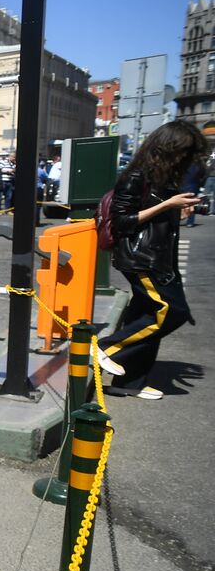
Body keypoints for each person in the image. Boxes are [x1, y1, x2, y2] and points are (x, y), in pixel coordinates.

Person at [97, 122, 205, 400]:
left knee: (144, 316)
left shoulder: (163, 178)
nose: (187, 159)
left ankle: (130, 382)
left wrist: (175, 212)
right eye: (184, 152)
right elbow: (122, 221)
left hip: (157, 256)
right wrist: (167, 206)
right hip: (140, 257)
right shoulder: (135, 175)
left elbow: (154, 218)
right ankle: (108, 348)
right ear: (168, 148)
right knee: (170, 311)